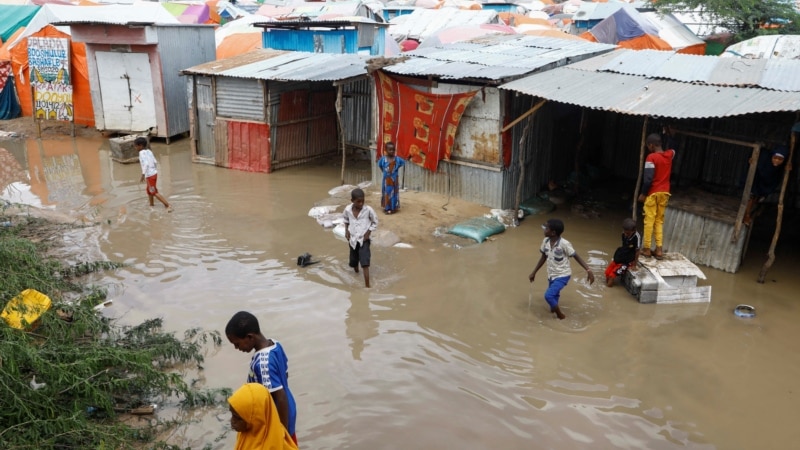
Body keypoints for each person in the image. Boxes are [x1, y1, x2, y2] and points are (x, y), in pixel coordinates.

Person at [226, 311, 298, 446]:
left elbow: (279, 397)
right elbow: (285, 375)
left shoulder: (263, 363)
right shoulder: (275, 344)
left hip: (278, 417)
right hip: (290, 408)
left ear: (249, 337)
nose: (236, 348)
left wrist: (280, 434)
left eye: (237, 343)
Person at [528, 218, 595, 320]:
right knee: (553, 299)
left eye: (546, 228)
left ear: (553, 232)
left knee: (548, 296)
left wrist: (588, 270)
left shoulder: (564, 244)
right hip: (551, 274)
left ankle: (561, 316)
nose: (544, 230)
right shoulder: (545, 241)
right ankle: (554, 310)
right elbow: (543, 257)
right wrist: (534, 272)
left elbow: (576, 256)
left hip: (563, 275)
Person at [638, 133, 675, 260]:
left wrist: (643, 194)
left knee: (649, 220)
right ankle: (659, 249)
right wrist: (670, 134)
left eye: (648, 145)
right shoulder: (669, 155)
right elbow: (673, 148)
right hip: (665, 193)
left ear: (651, 145)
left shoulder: (651, 157)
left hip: (653, 193)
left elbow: (648, 179)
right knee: (659, 221)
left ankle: (647, 249)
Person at [228, 383, 298, 450]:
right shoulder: (245, 433)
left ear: (256, 418)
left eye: (237, 417)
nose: (232, 421)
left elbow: (281, 397)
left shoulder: (276, 446)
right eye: (232, 414)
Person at [743, 147, 788, 225]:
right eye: (775, 158)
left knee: (757, 198)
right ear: (772, 156)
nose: (777, 161)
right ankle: (746, 215)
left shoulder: (779, 167)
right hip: (757, 179)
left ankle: (750, 212)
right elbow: (754, 162)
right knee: (752, 196)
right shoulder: (763, 161)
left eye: (780, 159)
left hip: (766, 184)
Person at [344, 188, 378, 288]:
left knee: (365, 263)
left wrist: (368, 233)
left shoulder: (368, 210)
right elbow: (345, 219)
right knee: (354, 261)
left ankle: (367, 286)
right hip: (353, 239)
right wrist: (346, 230)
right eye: (358, 201)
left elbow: (375, 222)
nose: (361, 203)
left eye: (362, 201)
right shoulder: (347, 210)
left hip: (364, 240)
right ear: (352, 201)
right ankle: (357, 273)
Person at [135, 137, 172, 212]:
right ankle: (151, 205)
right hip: (154, 173)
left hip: (149, 175)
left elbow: (145, 164)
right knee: (149, 190)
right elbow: (155, 161)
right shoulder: (149, 151)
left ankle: (168, 205)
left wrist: (143, 175)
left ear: (140, 146)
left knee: (153, 192)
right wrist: (154, 170)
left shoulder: (141, 153)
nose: (135, 148)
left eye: (136, 146)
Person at [604, 218, 641, 288]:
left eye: (627, 233)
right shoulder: (623, 234)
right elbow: (624, 246)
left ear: (633, 231)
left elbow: (637, 251)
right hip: (621, 255)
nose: (625, 234)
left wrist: (634, 265)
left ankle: (608, 289)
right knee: (607, 272)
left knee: (612, 275)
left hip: (627, 261)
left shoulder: (636, 237)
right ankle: (607, 285)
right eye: (624, 232)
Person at [377, 142, 406, 215]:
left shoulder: (397, 159)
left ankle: (393, 208)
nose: (392, 151)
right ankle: (387, 208)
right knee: (387, 193)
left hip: (394, 180)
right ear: (386, 150)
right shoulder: (383, 159)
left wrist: (395, 170)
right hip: (386, 180)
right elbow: (380, 165)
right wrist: (384, 172)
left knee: (394, 194)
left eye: (393, 150)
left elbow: (402, 163)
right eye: (390, 150)